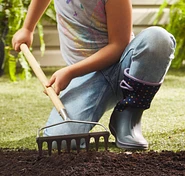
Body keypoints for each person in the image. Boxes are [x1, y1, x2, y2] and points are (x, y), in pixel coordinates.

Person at [12, 0, 176, 150]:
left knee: (159, 39)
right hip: (87, 78)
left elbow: (118, 45)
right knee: (59, 141)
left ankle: (127, 116)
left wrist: (70, 72)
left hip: (124, 72)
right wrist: (28, 28)